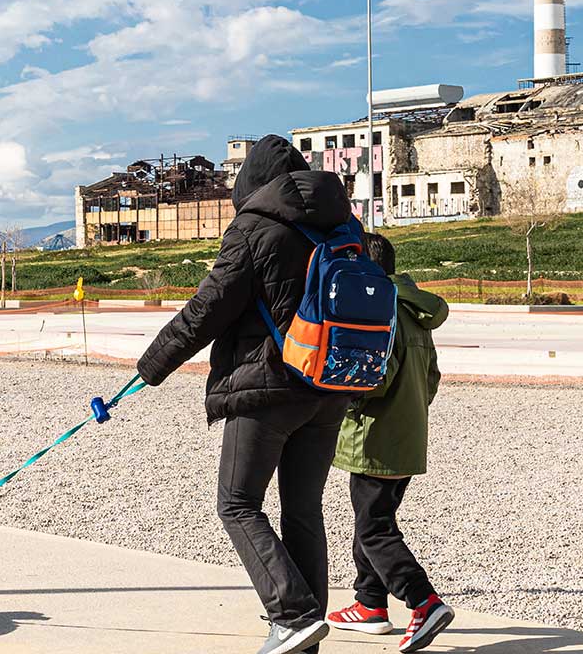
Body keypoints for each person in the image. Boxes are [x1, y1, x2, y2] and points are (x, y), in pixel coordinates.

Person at [137, 134, 355, 654]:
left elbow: (206, 310)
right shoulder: (346, 226)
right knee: (304, 510)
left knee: (237, 503)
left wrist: (150, 366)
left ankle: (293, 615)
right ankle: (306, 633)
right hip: (331, 385)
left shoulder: (254, 228)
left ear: (251, 184)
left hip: (268, 388)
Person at [325, 232, 454, 652]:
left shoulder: (381, 309)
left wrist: (340, 399)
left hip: (374, 439)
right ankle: (369, 604)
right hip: (407, 435)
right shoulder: (415, 309)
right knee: (373, 518)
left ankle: (423, 600)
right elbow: (430, 377)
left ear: (364, 267)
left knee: (373, 529)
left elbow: (373, 379)